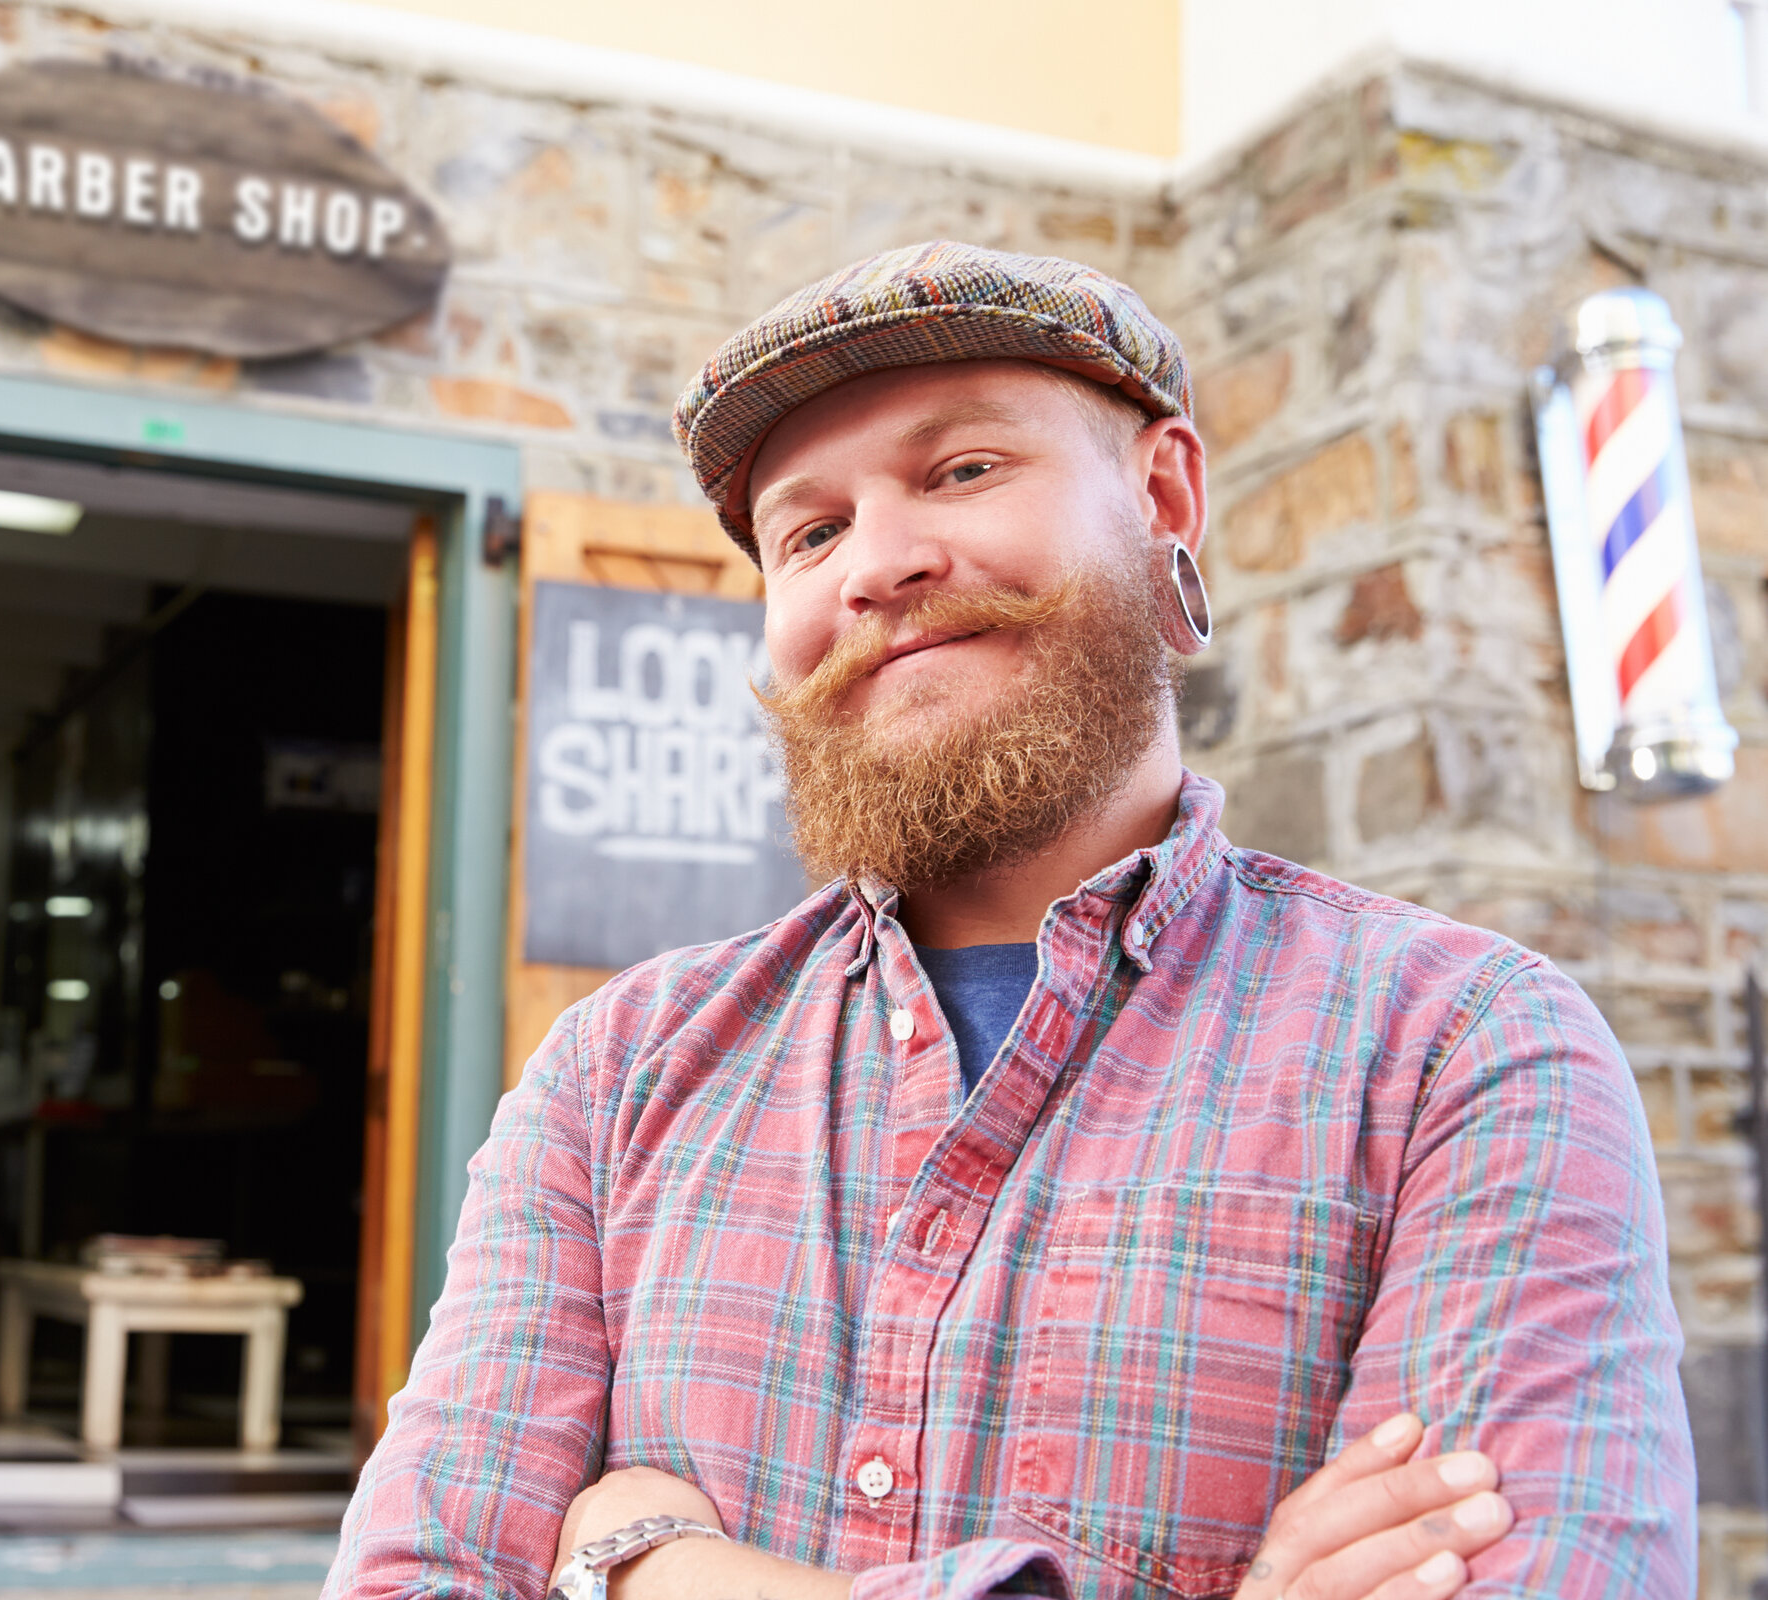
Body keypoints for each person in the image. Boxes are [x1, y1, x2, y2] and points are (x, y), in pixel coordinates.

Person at [326, 242, 1694, 1599]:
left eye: (961, 470)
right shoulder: (614, 1070)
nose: (877, 567)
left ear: (1166, 494)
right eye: (811, 531)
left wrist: (649, 1567)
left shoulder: (1463, 1049)